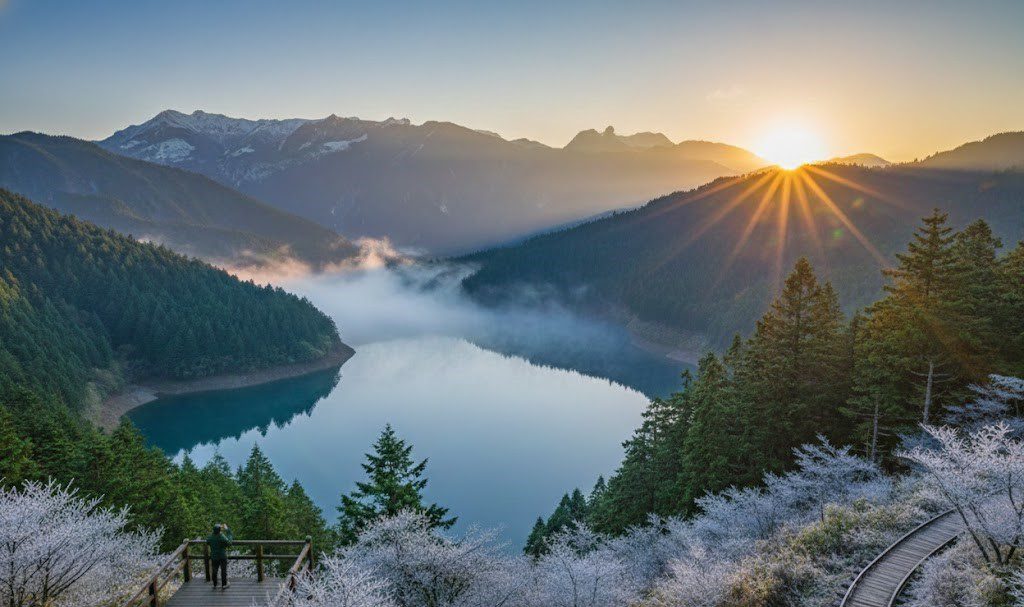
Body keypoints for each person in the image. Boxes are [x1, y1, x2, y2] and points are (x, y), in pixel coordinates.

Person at [206, 523, 233, 589]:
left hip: (214, 556)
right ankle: (224, 584)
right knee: (223, 570)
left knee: (214, 570)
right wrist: (228, 531)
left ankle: (215, 584)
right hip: (222, 556)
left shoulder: (211, 537)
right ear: (219, 530)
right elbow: (229, 543)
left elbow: (207, 542)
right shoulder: (221, 536)